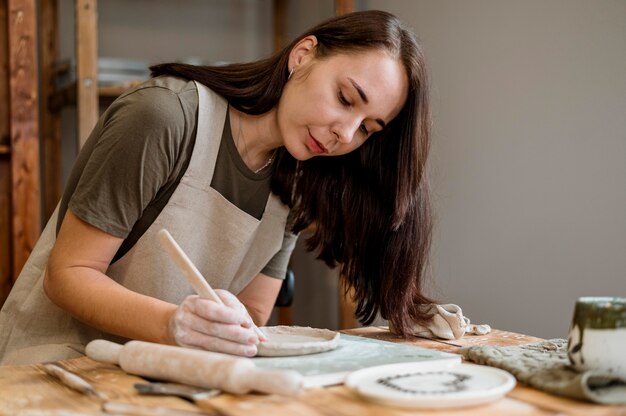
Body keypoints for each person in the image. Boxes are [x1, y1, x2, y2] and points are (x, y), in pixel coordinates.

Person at [0, 10, 434, 365]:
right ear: (303, 55)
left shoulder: (296, 181)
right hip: (54, 369)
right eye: (345, 98)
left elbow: (251, 315)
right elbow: (68, 275)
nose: (346, 133)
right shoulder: (164, 118)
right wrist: (175, 323)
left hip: (159, 379)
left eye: (368, 128)